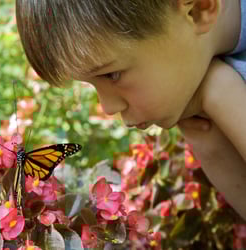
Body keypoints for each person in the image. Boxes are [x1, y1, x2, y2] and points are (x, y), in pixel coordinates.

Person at [15, 0, 246, 220]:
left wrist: (221, 92)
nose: (107, 107)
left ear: (198, 9)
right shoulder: (192, 68)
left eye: (112, 74)